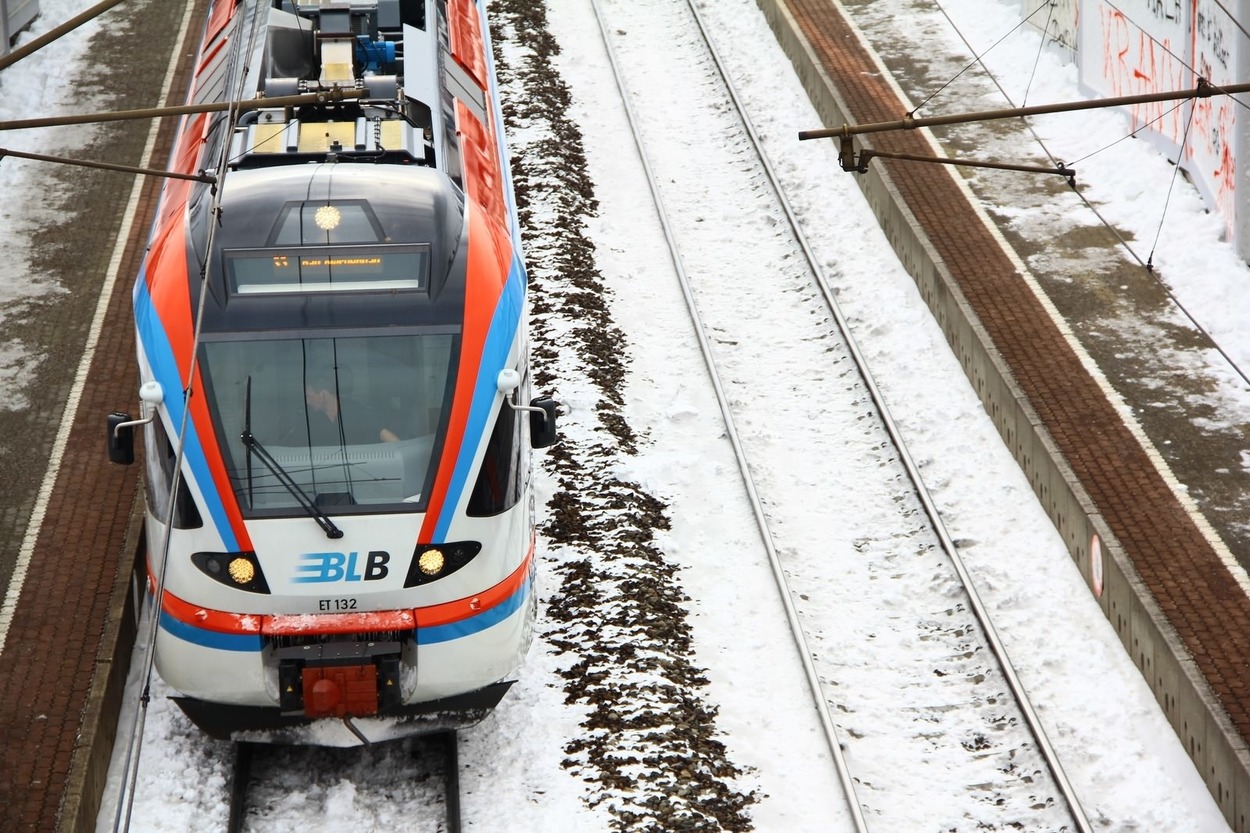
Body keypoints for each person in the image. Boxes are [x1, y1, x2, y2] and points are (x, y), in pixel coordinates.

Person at [303, 379, 400, 444]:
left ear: (323, 393)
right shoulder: (309, 418)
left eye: (310, 396)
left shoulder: (356, 411)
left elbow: (386, 435)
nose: (307, 401)